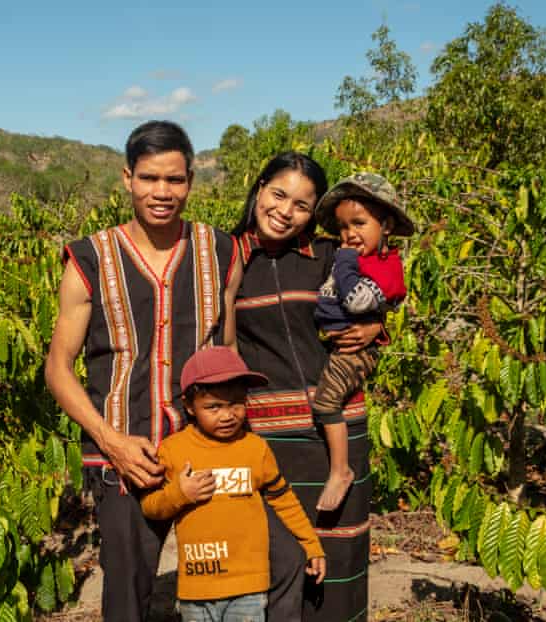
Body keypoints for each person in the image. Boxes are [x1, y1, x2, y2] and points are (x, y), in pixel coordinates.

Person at [45, 120, 242, 622]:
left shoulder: (221, 251)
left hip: (205, 451)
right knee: (127, 597)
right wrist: (110, 441)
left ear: (191, 182)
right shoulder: (89, 258)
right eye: (150, 178)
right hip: (126, 458)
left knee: (221, 587)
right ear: (127, 178)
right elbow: (58, 369)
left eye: (174, 180)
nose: (162, 192)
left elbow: (229, 352)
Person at [231, 152, 382, 622]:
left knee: (340, 559)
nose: (285, 211)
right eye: (278, 195)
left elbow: (371, 302)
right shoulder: (225, 256)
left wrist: (377, 327)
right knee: (278, 561)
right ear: (259, 190)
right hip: (264, 436)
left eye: (301, 204)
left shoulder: (329, 258)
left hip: (336, 429)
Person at [141, 346, 326, 622]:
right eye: (213, 407)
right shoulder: (173, 451)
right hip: (196, 589)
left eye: (236, 403)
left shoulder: (255, 449)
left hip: (248, 588)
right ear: (190, 406)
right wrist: (180, 493)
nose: (228, 415)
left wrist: (311, 545)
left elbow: (284, 500)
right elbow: (150, 507)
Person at [311, 173, 414, 512]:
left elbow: (356, 301)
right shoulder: (359, 258)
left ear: (385, 225)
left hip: (358, 350)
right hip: (341, 343)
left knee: (326, 401)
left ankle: (340, 470)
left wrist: (344, 262)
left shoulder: (383, 266)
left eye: (359, 223)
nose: (349, 235)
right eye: (342, 227)